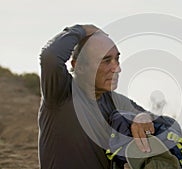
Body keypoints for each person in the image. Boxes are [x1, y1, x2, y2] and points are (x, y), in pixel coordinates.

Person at [39, 24, 155, 169]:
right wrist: (80, 30)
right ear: (79, 66)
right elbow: (50, 57)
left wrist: (143, 117)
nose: (117, 68)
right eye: (106, 61)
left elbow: (158, 122)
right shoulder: (61, 93)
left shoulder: (114, 101)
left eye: (117, 59)